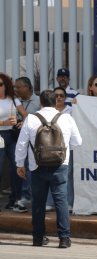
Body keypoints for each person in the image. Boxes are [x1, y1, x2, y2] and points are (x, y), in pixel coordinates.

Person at [15, 90, 82, 248]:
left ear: (41, 103)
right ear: (56, 102)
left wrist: (19, 165)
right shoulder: (66, 118)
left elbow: (21, 144)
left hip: (37, 166)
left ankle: (38, 238)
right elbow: (78, 142)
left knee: (38, 203)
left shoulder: (31, 119)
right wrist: (64, 152)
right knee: (61, 202)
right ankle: (64, 238)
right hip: (60, 165)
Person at [13, 76, 41, 212]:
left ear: (27, 87)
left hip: (32, 143)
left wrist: (26, 123)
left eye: (18, 87)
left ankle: (27, 197)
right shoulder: (14, 102)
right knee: (18, 168)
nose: (15, 89)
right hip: (14, 139)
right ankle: (19, 197)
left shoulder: (39, 101)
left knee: (29, 169)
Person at [0, 73, 28, 211]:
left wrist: (22, 122)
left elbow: (25, 115)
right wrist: (3, 122)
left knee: (17, 166)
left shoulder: (13, 99)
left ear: (6, 85)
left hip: (11, 135)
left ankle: (16, 200)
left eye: (0, 84)